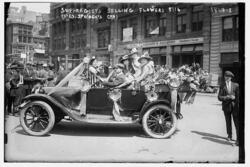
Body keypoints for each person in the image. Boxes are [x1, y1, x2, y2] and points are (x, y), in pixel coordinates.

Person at [218, 71, 239, 146]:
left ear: (231, 78)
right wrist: (226, 97)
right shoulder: (222, 85)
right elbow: (219, 97)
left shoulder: (236, 85)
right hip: (226, 107)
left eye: (228, 77)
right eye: (226, 76)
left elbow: (238, 97)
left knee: (237, 123)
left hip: (234, 107)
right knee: (228, 122)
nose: (227, 78)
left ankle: (238, 139)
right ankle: (229, 135)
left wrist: (235, 97)